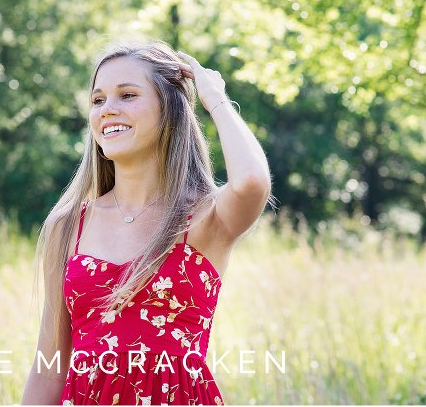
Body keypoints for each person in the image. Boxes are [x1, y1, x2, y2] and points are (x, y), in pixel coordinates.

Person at [21, 40, 273, 405]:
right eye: (97, 100)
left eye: (126, 95)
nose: (108, 109)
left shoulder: (204, 219)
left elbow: (251, 182)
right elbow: (50, 365)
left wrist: (215, 99)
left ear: (168, 110)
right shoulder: (67, 226)